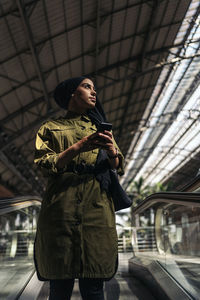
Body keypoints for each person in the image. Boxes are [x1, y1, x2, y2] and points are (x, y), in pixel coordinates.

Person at [34, 77, 124, 300]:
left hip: (97, 209)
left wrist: (111, 149)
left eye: (95, 88)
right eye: (87, 87)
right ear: (72, 94)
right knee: (59, 286)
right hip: (60, 210)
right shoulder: (50, 128)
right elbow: (44, 163)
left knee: (94, 287)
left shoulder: (100, 129)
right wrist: (79, 146)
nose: (94, 92)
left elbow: (118, 166)